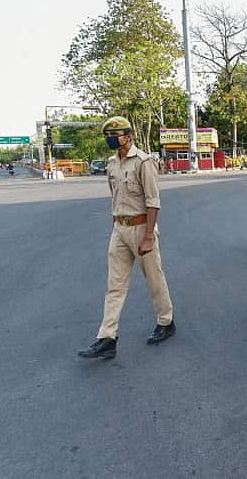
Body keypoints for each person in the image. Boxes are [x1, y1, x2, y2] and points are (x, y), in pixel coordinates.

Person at [78, 116, 175, 359]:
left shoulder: (143, 162)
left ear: (128, 136)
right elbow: (114, 196)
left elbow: (153, 202)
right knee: (115, 285)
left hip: (142, 228)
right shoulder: (112, 164)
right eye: (108, 136)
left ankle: (166, 321)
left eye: (115, 135)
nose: (111, 139)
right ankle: (107, 337)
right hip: (120, 229)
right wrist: (116, 224)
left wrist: (149, 237)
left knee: (154, 278)